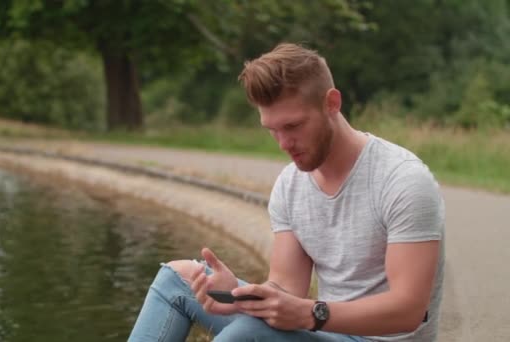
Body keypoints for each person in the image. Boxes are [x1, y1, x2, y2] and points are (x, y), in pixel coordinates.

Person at [128, 43, 445, 341]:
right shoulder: (291, 185)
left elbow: (409, 311)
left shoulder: (402, 180)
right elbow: (286, 288)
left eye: (293, 127)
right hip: (325, 330)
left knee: (245, 336)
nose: (283, 144)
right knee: (177, 278)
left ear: (332, 103)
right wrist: (239, 298)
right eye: (272, 130)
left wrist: (312, 313)